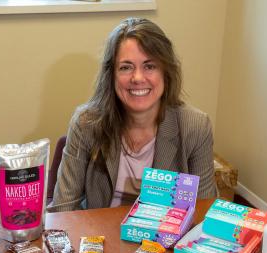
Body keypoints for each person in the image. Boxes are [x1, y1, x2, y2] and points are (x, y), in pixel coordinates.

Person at [48, 17, 217, 212]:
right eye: (126, 67)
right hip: (99, 237)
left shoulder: (195, 126)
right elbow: (63, 209)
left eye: (149, 66)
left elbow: (205, 213)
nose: (137, 78)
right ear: (111, 75)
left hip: (163, 239)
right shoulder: (87, 123)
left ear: (166, 72)